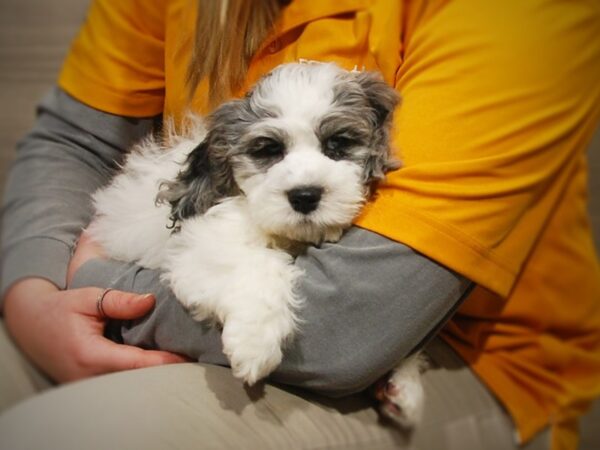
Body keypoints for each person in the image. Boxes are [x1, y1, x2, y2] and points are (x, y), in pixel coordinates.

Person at [0, 1, 599, 449]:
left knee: (65, 433)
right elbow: (77, 140)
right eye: (268, 150)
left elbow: (350, 330)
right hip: (197, 301)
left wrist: (104, 287)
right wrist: (33, 299)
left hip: (459, 348)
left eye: (340, 144)